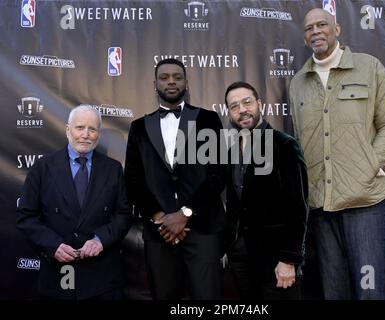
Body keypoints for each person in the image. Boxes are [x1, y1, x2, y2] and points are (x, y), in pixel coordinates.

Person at [289, 8, 385, 299]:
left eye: (322, 25)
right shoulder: (298, 83)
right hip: (321, 207)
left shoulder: (369, 67)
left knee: (369, 293)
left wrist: (371, 165)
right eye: (309, 28)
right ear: (304, 37)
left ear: (337, 29)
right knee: (334, 293)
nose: (315, 31)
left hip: (364, 201)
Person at [124, 58, 225, 300]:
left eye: (177, 77)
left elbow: (217, 174)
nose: (171, 81)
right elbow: (134, 180)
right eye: (165, 77)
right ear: (155, 83)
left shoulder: (208, 120)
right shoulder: (138, 127)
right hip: (159, 232)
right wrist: (160, 218)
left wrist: (186, 214)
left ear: (186, 82)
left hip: (202, 229)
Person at [16, 105, 132, 300]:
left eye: (92, 129)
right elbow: (26, 216)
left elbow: (124, 214)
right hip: (57, 275)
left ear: (98, 134)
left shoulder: (112, 169)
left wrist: (100, 240)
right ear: (67, 130)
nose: (85, 134)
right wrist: (53, 246)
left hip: (102, 278)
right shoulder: (43, 167)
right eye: (80, 127)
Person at [224, 81, 308, 300]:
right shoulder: (230, 150)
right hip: (240, 257)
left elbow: (298, 207)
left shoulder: (284, 145)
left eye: (247, 102)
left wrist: (289, 259)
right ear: (230, 114)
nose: (242, 109)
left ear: (259, 104)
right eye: (234, 106)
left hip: (276, 259)